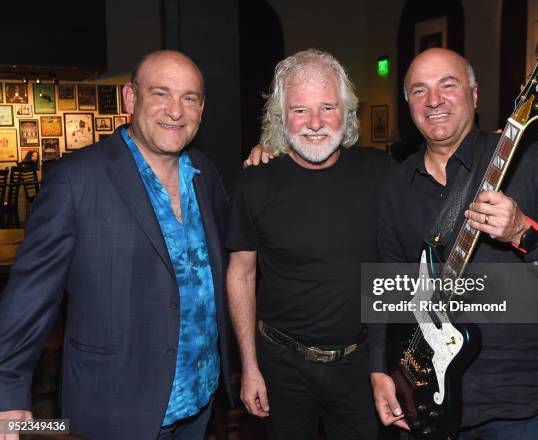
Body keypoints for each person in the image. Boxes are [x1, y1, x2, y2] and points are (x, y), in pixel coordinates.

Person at [0, 50, 232, 440]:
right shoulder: (76, 180)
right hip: (116, 406)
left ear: (201, 108)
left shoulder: (205, 174)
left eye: (189, 98)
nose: (175, 111)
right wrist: (7, 393)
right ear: (130, 98)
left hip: (199, 400)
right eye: (161, 93)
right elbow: (29, 296)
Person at [369, 48, 538, 438]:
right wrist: (380, 368)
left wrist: (523, 233)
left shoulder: (531, 162)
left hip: (520, 402)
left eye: (448, 85)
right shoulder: (395, 186)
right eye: (420, 90)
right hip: (427, 395)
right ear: (408, 103)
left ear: (474, 95)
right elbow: (390, 285)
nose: (435, 100)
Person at [226, 49, 392, 439]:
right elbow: (241, 276)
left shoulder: (381, 172)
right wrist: (249, 366)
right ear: (281, 119)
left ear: (347, 112)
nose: (315, 123)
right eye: (300, 110)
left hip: (361, 365)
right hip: (281, 365)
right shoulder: (255, 182)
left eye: (327, 107)